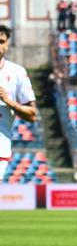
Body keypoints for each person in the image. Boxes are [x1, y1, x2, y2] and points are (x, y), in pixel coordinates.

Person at [0, 26, 37, 182]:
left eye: (1, 42)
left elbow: (32, 115)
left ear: (7, 44)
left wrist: (9, 102)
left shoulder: (17, 72)